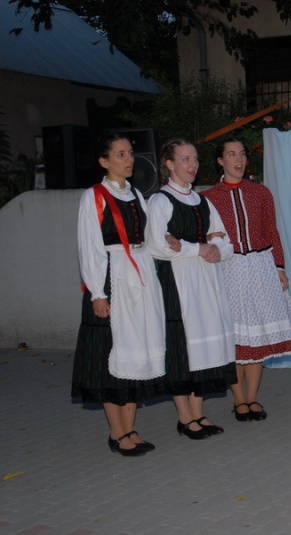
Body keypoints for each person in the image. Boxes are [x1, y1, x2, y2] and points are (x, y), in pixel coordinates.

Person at [72, 132, 165, 457]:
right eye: (121, 154)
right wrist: (98, 292)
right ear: (104, 161)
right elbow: (90, 247)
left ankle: (131, 428)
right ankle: (117, 432)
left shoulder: (136, 194)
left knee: (136, 350)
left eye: (130, 153)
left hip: (139, 275)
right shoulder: (94, 196)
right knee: (110, 353)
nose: (129, 159)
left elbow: (149, 238)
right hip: (113, 278)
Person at [201, 137, 291, 422]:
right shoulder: (209, 198)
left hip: (260, 266)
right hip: (229, 269)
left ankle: (253, 397)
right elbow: (205, 237)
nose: (239, 160)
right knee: (235, 337)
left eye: (242, 154)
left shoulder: (260, 192)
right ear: (220, 161)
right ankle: (239, 399)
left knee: (256, 336)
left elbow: (272, 231)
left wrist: (279, 267)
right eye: (232, 154)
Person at [145, 138, 237, 439]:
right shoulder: (160, 201)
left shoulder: (202, 201)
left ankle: (198, 412)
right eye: (185, 159)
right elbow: (156, 245)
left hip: (205, 281)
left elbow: (223, 240)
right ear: (169, 164)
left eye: (195, 159)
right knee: (182, 348)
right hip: (177, 282)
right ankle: (184, 418)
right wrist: (198, 248)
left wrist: (215, 249)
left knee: (203, 347)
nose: (193, 164)